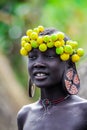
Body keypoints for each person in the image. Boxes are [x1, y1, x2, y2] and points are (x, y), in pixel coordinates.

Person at [17, 25, 87, 130]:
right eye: (32, 57)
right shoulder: (25, 115)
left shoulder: (83, 111)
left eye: (49, 56)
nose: (38, 64)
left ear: (69, 65)